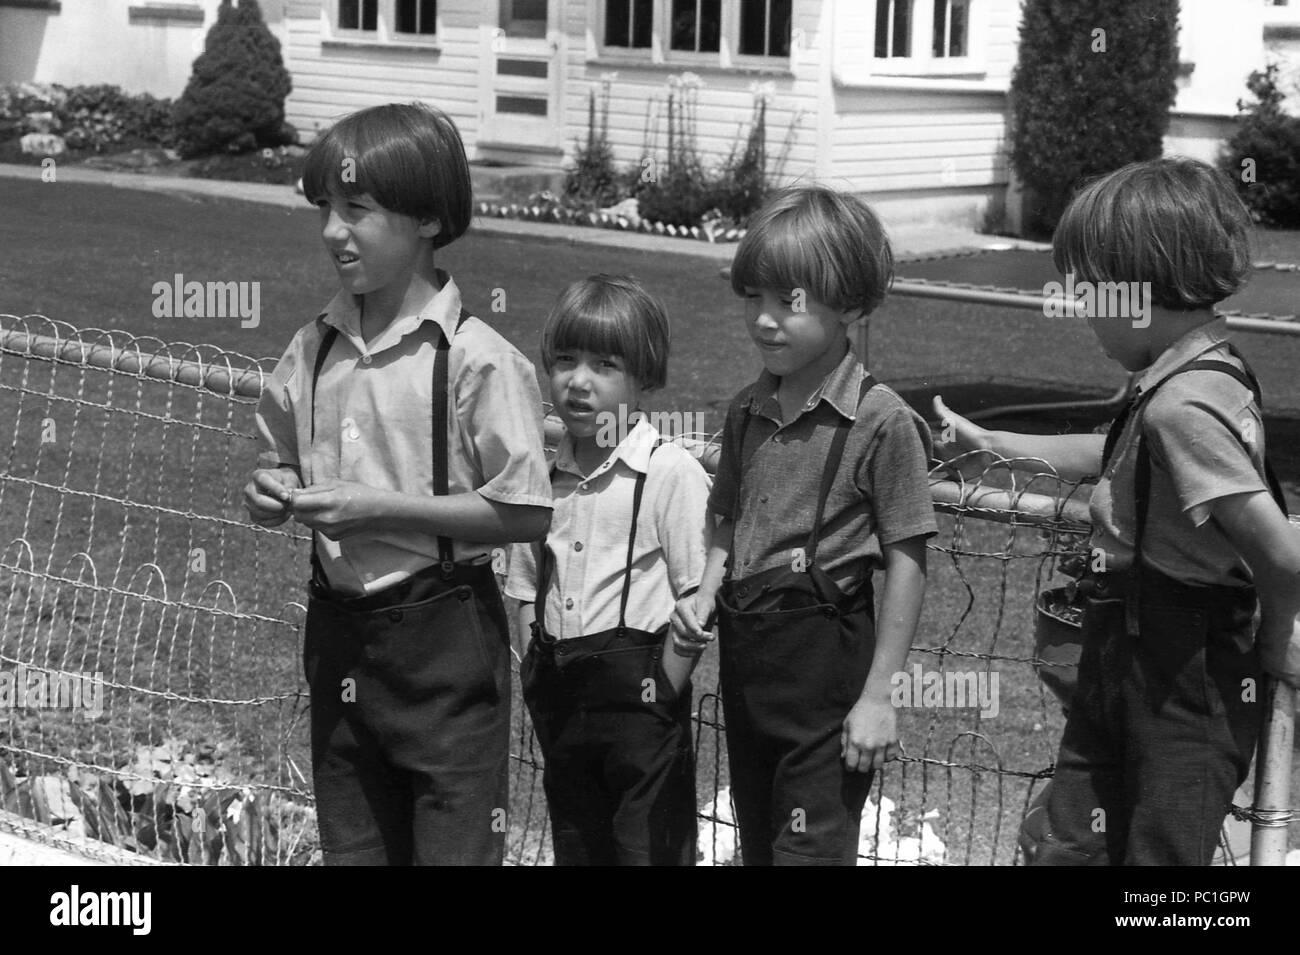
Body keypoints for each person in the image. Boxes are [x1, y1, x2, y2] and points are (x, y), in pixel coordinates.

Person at [935, 157, 1300, 865]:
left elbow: (1280, 552)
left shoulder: (1183, 406)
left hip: (1182, 678)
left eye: (1089, 293)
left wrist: (1281, 634)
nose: (1081, 311)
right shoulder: (1189, 375)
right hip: (1128, 656)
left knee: (1159, 858)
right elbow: (1117, 452)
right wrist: (998, 445)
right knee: (1072, 839)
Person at [242, 102, 552, 865]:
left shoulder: (477, 360)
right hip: (340, 639)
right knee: (354, 845)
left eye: (357, 210)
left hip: (444, 644)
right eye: (324, 209)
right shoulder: (313, 349)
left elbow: (525, 510)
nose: (332, 231)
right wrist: (272, 491)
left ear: (428, 220)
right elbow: (278, 455)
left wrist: (379, 511)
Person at [674, 185, 937, 865]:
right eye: (753, 296)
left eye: (787, 300)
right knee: (759, 846)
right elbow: (726, 515)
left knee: (809, 852)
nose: (764, 319)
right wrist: (707, 587)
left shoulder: (881, 422)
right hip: (751, 669)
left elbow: (908, 560)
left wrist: (880, 694)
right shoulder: (745, 411)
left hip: (829, 687)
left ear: (850, 303)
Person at [506, 274, 710, 865]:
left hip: (641, 708)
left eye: (604, 365)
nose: (579, 381)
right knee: (576, 844)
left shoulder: (667, 473)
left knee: (647, 850)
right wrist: (534, 676)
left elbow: (696, 596)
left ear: (644, 377)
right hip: (562, 705)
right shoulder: (541, 482)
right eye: (565, 360)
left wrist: (662, 689)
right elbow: (522, 588)